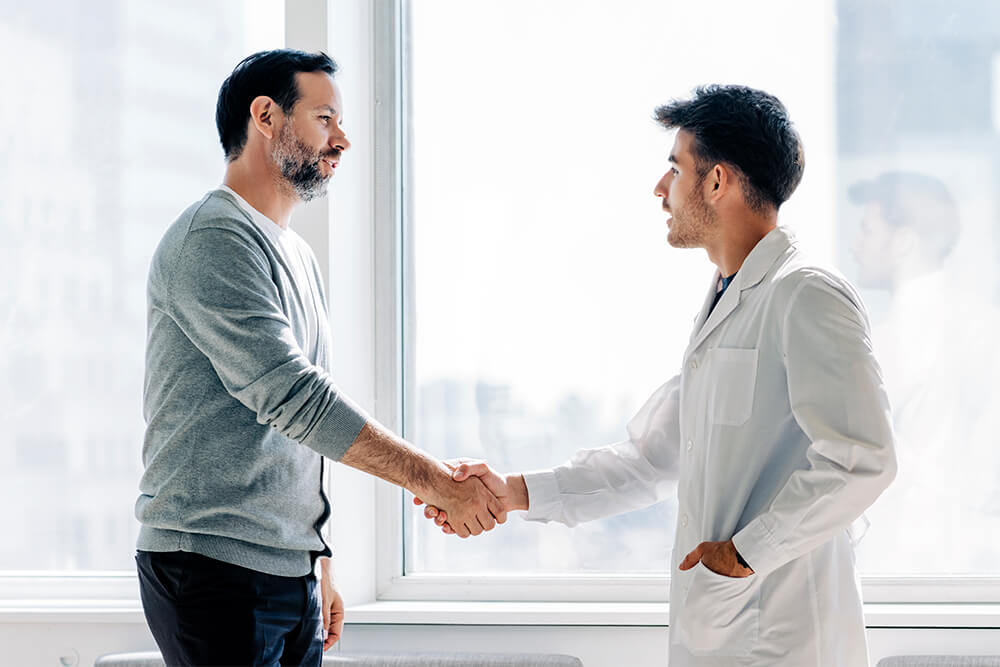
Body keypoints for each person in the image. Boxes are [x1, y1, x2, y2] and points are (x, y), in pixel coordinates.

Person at [420, 85, 897, 666]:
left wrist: (746, 554)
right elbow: (649, 459)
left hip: (785, 634)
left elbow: (864, 457)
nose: (659, 188)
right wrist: (514, 492)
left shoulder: (806, 294)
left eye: (675, 169)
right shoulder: (728, 303)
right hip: (723, 632)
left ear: (717, 182)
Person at [135, 49, 505, 667]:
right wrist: (438, 483)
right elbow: (296, 399)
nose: (343, 140)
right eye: (325, 118)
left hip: (285, 568)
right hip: (210, 564)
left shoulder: (297, 256)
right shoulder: (213, 238)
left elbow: (295, 443)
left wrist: (316, 556)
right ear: (266, 116)